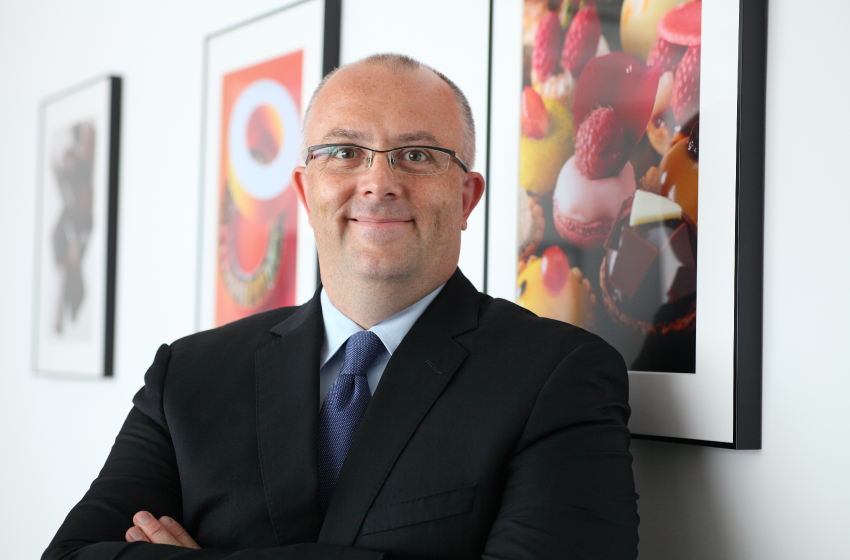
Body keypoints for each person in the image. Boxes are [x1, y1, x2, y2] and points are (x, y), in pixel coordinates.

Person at [44, 54, 639, 560]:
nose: (378, 183)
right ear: (306, 192)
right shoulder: (187, 377)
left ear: (466, 197)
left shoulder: (559, 378)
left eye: (416, 155)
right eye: (345, 151)